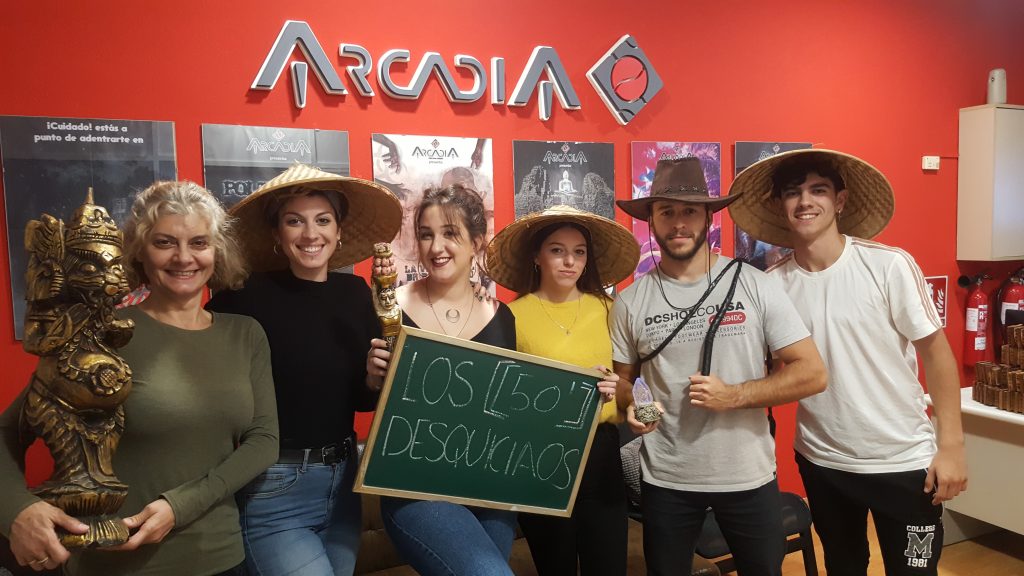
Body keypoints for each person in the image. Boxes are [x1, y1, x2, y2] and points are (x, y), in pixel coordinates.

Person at [0, 181, 278, 575]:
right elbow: (6, 431)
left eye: (199, 242)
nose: (184, 257)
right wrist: (16, 510)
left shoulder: (245, 334)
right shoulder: (98, 331)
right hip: (112, 564)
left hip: (220, 557)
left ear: (217, 250)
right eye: (165, 242)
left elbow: (263, 441)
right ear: (138, 251)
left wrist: (178, 507)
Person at [728, 149, 967, 575]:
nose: (805, 201)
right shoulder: (771, 285)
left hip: (902, 461)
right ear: (779, 206)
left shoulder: (888, 266)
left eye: (818, 190)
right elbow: (771, 373)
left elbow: (937, 353)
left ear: (839, 201)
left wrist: (951, 446)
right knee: (843, 567)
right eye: (793, 192)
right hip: (823, 462)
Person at [610, 157, 827, 576]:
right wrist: (636, 407)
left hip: (748, 476)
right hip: (667, 479)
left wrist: (735, 395)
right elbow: (626, 382)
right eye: (666, 212)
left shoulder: (754, 284)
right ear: (651, 220)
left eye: (689, 211)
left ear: (709, 217)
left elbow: (812, 373)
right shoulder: (631, 302)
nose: (678, 223)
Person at [206, 163, 402, 576]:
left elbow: (360, 400)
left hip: (345, 484)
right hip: (275, 488)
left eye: (323, 220)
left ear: (339, 230)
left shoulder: (355, 293)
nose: (311, 234)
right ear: (277, 234)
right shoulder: (246, 295)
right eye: (295, 221)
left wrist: (372, 379)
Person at [366, 183, 518, 576]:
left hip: (490, 488)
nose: (436, 247)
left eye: (450, 233)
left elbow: (509, 410)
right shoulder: (390, 310)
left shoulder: (502, 317)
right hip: (416, 487)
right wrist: (372, 378)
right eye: (426, 234)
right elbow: (369, 401)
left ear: (476, 242)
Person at [486, 205, 638, 576]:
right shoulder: (511, 315)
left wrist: (619, 388)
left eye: (579, 252)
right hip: (539, 456)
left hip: (601, 452)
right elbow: (501, 396)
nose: (569, 261)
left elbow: (637, 389)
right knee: (555, 565)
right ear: (536, 257)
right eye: (557, 250)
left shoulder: (610, 309)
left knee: (609, 565)